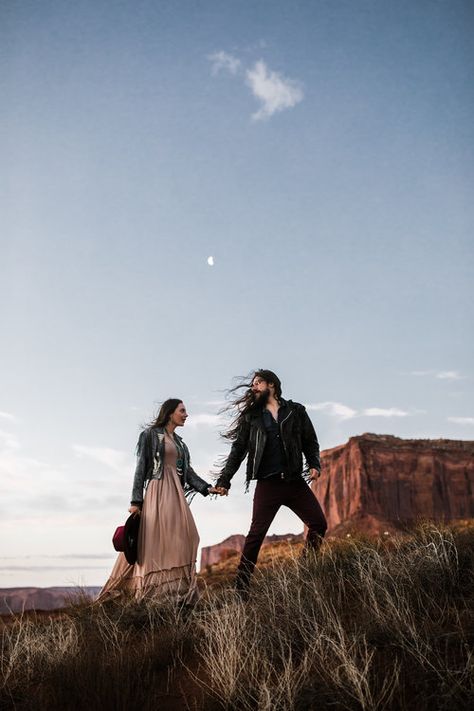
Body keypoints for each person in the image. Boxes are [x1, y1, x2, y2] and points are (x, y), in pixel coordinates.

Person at [98, 399, 222, 604]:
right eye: (182, 410)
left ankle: (178, 592)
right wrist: (136, 501)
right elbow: (141, 468)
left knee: (188, 536)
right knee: (156, 541)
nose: (186, 414)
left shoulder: (181, 443)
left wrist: (208, 488)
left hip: (176, 495)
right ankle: (153, 595)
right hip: (158, 491)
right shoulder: (150, 435)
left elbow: (188, 473)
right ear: (170, 413)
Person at [215, 370, 327, 594]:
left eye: (258, 383)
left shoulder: (296, 411)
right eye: (253, 384)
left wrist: (314, 465)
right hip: (268, 484)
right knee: (256, 535)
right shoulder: (252, 418)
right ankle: (241, 588)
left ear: (272, 385)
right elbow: (238, 451)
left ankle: (305, 571)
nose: (254, 387)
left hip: (295, 482)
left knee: (319, 524)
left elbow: (310, 441)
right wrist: (224, 480)